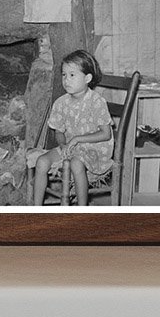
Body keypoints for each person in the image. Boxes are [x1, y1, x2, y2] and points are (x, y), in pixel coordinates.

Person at [33, 50, 113, 206]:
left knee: (76, 163)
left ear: (87, 78)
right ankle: (36, 209)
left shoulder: (97, 102)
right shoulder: (61, 103)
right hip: (71, 146)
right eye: (64, 75)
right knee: (42, 161)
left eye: (72, 75)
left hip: (94, 149)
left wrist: (77, 139)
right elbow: (59, 131)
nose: (66, 80)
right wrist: (63, 144)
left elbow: (106, 134)